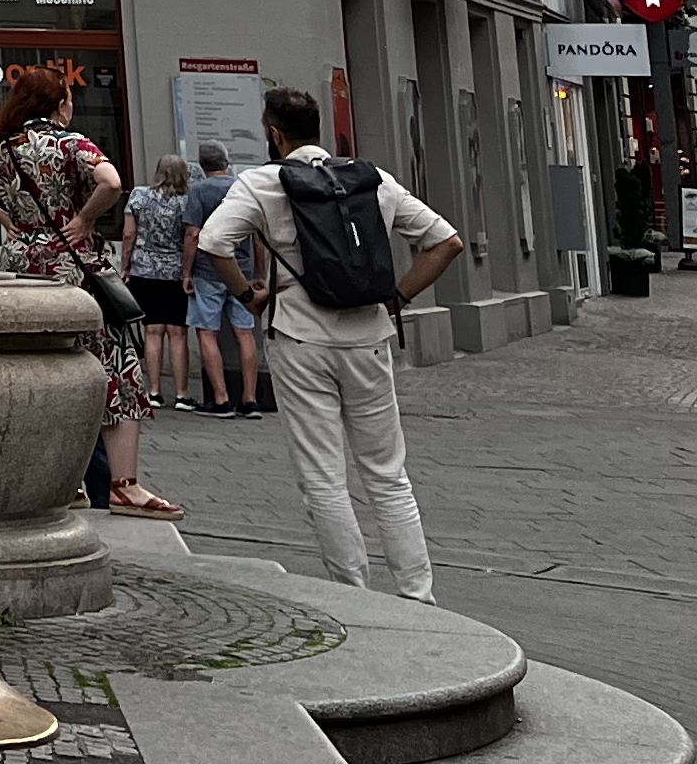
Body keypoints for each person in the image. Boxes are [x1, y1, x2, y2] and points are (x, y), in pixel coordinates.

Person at [195, 85, 466, 600]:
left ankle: (353, 592)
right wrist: (397, 297)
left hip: (299, 337)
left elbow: (213, 242)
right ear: (317, 129)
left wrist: (247, 295)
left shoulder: (262, 183)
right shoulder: (372, 180)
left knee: (322, 475)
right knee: (387, 474)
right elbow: (446, 242)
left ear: (273, 133)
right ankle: (418, 594)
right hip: (368, 337)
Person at [0, 65, 177, 521]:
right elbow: (113, 182)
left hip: (22, 266)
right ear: (60, 103)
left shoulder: (0, 148)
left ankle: (70, 481)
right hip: (74, 268)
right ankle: (125, 486)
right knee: (114, 364)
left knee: (43, 366)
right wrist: (86, 218)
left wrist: (4, 218)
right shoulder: (72, 144)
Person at [181, 138, 269, 414]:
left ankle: (220, 398)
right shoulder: (242, 188)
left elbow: (193, 234)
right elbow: (258, 237)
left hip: (208, 271)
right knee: (245, 332)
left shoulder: (198, 191)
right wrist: (259, 273)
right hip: (240, 271)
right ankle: (250, 398)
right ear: (226, 161)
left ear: (202, 165)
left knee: (208, 333)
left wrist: (186, 272)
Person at [124, 154, 195, 411]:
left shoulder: (139, 196)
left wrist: (126, 265)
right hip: (175, 271)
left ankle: (153, 391)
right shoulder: (188, 201)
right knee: (178, 333)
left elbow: (129, 233)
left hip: (144, 269)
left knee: (152, 331)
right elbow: (191, 235)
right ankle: (182, 394)